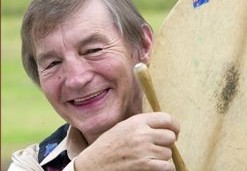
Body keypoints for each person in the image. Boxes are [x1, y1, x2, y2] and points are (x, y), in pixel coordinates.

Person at [8, 0, 180, 170]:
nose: (77, 79)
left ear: (143, 45)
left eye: (93, 50)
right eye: (53, 63)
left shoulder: (203, 131)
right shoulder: (32, 165)